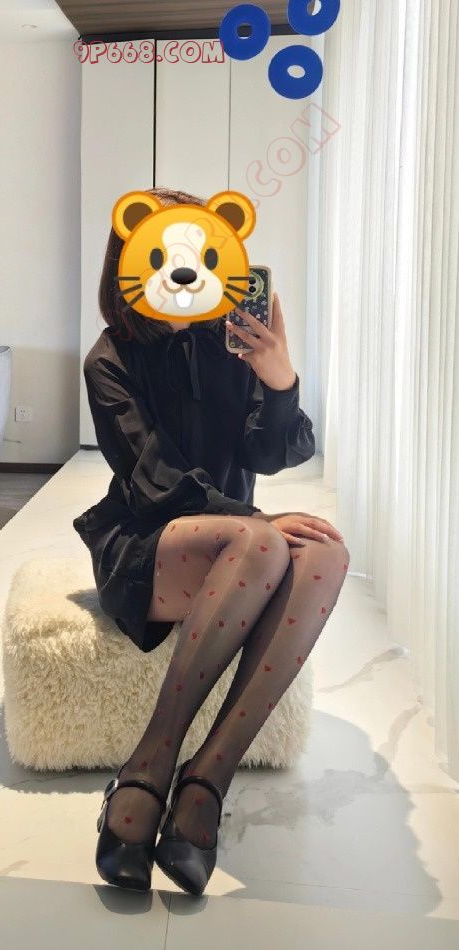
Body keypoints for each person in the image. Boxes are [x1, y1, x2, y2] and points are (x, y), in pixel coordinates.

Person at [73, 186, 350, 895]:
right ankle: (148, 766)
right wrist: (254, 522)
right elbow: (154, 482)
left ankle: (206, 781)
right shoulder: (108, 359)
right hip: (147, 544)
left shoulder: (233, 340)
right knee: (261, 544)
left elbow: (278, 451)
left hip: (234, 534)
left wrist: (279, 379)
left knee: (326, 553)